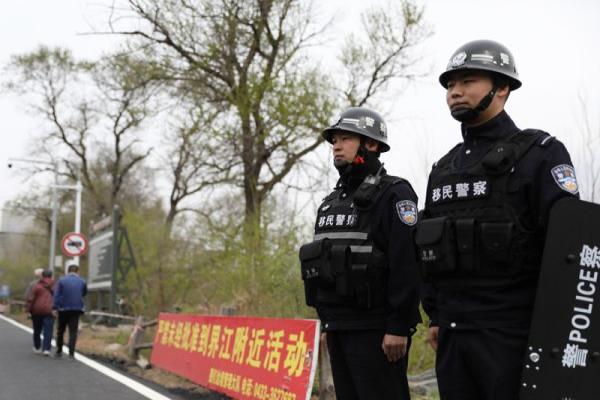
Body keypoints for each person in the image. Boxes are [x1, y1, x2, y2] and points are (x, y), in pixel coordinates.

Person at [417, 40, 580, 400]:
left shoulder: (540, 155)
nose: (455, 92)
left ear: (502, 88)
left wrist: (559, 336)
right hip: (454, 339)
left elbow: (569, 250)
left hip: (514, 336)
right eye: (450, 85)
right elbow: (428, 251)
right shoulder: (443, 170)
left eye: (468, 81)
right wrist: (436, 317)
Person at [299, 107, 421, 400]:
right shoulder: (330, 203)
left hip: (377, 331)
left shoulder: (394, 194)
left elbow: (406, 264)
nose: (336, 146)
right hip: (338, 328)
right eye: (334, 140)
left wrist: (399, 326)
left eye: (346, 139)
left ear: (371, 144)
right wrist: (326, 324)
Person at [53, 263, 87, 359]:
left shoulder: (61, 280)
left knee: (61, 330)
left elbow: (57, 295)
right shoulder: (82, 281)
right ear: (77, 271)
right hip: (76, 309)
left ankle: (59, 350)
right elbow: (84, 293)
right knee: (73, 331)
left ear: (67, 271)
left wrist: (55, 308)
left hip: (63, 309)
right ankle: (71, 353)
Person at [26, 269, 55, 356]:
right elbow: (58, 297)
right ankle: (46, 349)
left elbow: (31, 299)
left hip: (37, 310)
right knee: (48, 330)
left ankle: (37, 347)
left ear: (42, 276)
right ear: (51, 276)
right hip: (49, 310)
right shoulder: (55, 285)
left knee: (37, 329)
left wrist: (28, 310)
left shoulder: (37, 285)